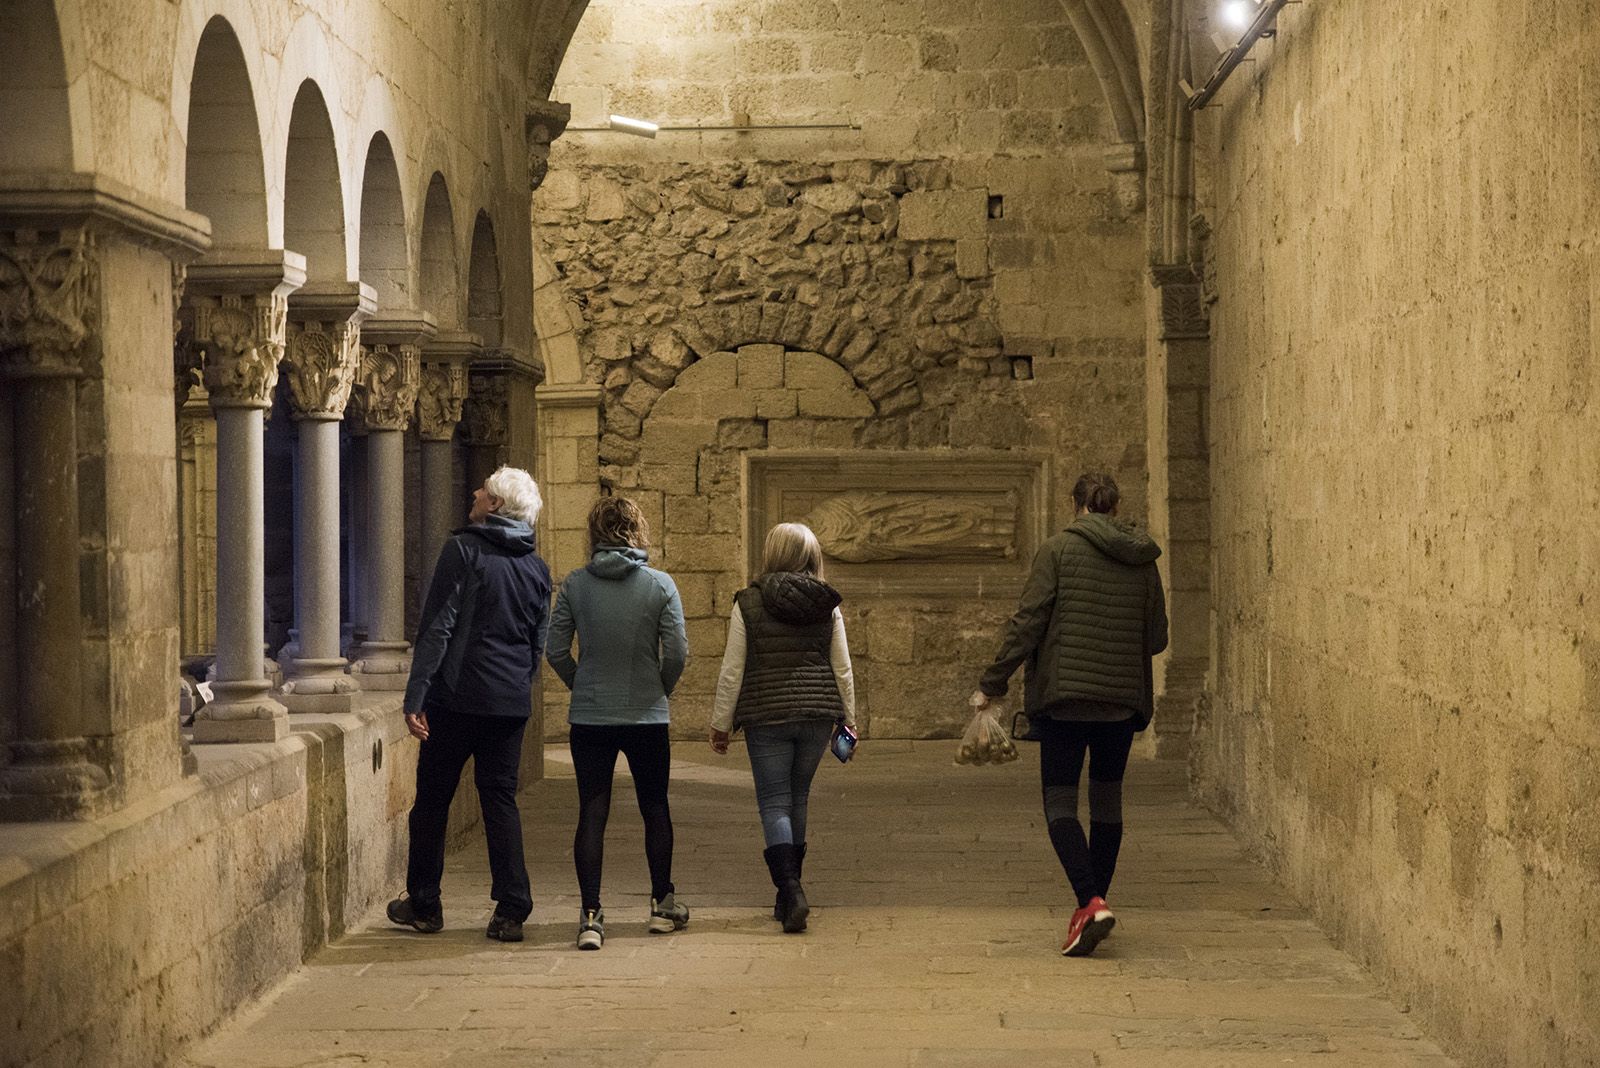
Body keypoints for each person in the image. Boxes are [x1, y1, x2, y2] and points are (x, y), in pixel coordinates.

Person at [970, 472, 1167, 957]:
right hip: (1120, 704)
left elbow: (1028, 623)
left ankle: (1090, 902)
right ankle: (1093, 908)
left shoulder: (1057, 551)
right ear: (1115, 508)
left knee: (1059, 803)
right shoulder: (1143, 559)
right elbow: (1157, 637)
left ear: (1075, 504)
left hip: (1064, 702)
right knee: (1107, 804)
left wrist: (992, 683)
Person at [386, 466, 551, 943]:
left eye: (484, 490)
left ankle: (424, 903)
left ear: (495, 505)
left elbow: (438, 627)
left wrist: (416, 694)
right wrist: (519, 686)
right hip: (508, 703)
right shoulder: (537, 567)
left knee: (433, 801)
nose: (475, 492)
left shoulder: (463, 550)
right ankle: (511, 908)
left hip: (456, 700)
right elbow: (536, 641)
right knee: (499, 801)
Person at [546, 496, 689, 951]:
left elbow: (554, 650)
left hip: (590, 715)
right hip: (646, 714)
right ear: (637, 530)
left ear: (595, 533)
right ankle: (662, 905)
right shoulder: (660, 585)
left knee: (592, 809)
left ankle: (591, 916)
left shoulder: (575, 585)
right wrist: (658, 688)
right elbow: (678, 651)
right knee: (655, 806)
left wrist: (581, 683)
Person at [710, 522, 857, 933]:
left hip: (767, 717)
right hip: (816, 714)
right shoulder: (827, 604)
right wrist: (850, 719)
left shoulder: (748, 602)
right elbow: (842, 669)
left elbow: (732, 670)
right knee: (798, 799)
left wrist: (721, 723)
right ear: (812, 557)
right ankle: (788, 891)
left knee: (775, 802)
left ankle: (790, 889)